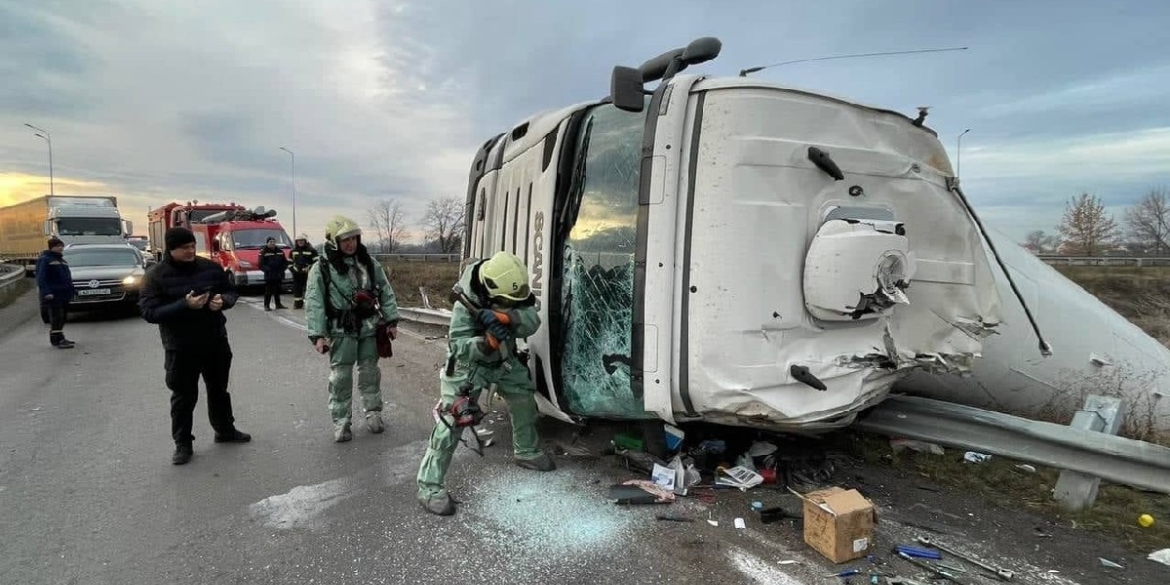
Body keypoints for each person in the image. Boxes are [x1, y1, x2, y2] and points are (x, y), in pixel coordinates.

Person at [416, 250, 554, 516]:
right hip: (470, 366)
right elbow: (458, 346)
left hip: (504, 359)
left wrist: (506, 319)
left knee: (523, 396)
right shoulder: (464, 302)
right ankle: (429, 486)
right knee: (452, 421)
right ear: (490, 292)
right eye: (505, 303)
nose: (511, 304)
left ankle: (526, 451)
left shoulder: (510, 286)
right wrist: (486, 342)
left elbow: (531, 319)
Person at [139, 227, 252, 465]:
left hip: (215, 340)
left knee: (219, 389)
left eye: (192, 246)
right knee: (183, 396)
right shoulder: (155, 275)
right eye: (184, 248)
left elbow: (230, 291)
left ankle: (225, 430)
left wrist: (223, 301)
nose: (191, 251)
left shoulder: (209, 268)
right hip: (180, 346)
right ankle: (183, 444)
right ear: (171, 249)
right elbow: (149, 312)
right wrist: (184, 305)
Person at [304, 216, 401, 442]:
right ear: (333, 241)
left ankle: (374, 413)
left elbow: (385, 291)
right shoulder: (322, 268)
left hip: (368, 327)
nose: (351, 244)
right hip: (341, 330)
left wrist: (391, 321)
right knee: (341, 378)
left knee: (370, 373)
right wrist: (318, 335)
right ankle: (341, 421)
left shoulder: (368, 262)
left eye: (354, 238)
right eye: (345, 239)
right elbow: (315, 302)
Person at [35, 237, 75, 349]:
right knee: (57, 317)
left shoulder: (61, 260)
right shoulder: (45, 259)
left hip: (63, 294)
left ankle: (59, 337)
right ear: (52, 247)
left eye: (61, 246)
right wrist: (47, 292)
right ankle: (57, 339)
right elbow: (41, 278)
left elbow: (66, 277)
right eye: (58, 246)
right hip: (53, 294)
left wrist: (71, 290)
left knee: (63, 317)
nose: (61, 248)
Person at [259, 236, 289, 311]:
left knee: (277, 290)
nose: (272, 243)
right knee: (268, 291)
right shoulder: (264, 252)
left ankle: (278, 304)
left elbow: (285, 262)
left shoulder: (280, 251)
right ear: (267, 243)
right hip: (269, 275)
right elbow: (261, 264)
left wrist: (282, 269)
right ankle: (267, 305)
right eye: (270, 242)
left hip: (279, 274)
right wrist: (268, 270)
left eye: (273, 242)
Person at [289, 233, 318, 309]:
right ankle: (298, 304)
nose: (300, 242)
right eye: (298, 241)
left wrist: (309, 268)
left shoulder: (312, 251)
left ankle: (310, 304)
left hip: (308, 273)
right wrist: (293, 269)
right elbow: (289, 263)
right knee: (297, 289)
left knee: (309, 289)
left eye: (302, 240)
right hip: (297, 274)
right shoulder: (293, 251)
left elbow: (316, 263)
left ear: (305, 241)